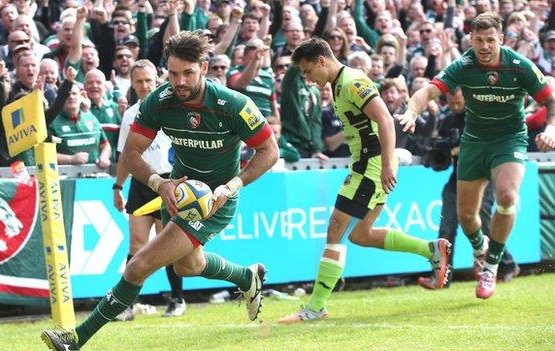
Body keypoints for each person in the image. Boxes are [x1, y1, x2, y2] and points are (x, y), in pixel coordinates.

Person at [41, 31, 279, 351]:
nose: (179, 81)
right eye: (173, 73)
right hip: (176, 192)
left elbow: (269, 151)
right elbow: (131, 153)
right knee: (187, 266)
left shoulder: (233, 104)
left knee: (139, 264)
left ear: (204, 68)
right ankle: (247, 278)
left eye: (188, 73)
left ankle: (76, 340)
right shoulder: (161, 100)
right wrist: (160, 183)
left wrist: (232, 185)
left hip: (214, 201)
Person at [278, 38, 451, 324]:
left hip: (370, 165)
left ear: (321, 60)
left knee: (335, 230)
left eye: (308, 71)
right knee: (360, 234)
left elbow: (384, 119)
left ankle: (315, 307)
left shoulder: (353, 82)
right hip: (368, 164)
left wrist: (385, 164)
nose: (307, 79)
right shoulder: (337, 84)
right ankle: (430, 249)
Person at [395, 12, 555, 299]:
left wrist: (551, 129)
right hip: (474, 141)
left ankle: (491, 266)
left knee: (506, 196)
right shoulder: (464, 65)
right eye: (479, 40)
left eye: (490, 40)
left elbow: (550, 100)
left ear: (501, 40)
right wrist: (411, 111)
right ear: (471, 39)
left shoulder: (519, 66)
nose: (484, 46)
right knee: (467, 216)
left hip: (509, 139)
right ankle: (480, 250)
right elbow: (427, 92)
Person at [416, 88, 520, 289]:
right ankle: (440, 276)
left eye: (458, 103)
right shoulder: (447, 121)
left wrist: (461, 149)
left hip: (484, 177)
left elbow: (488, 143)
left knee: (484, 223)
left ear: (466, 97)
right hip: (457, 179)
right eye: (451, 103)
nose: (455, 107)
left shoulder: (478, 115)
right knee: (445, 228)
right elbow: (443, 156)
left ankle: (506, 264)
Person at [113, 60, 186, 319]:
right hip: (141, 184)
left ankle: (178, 299)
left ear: (158, 79)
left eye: (148, 80)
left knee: (167, 246)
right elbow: (125, 156)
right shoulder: (130, 114)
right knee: (136, 244)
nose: (144, 85)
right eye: (139, 81)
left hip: (169, 183)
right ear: (132, 84)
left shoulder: (173, 107)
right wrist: (118, 186)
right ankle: (126, 304)